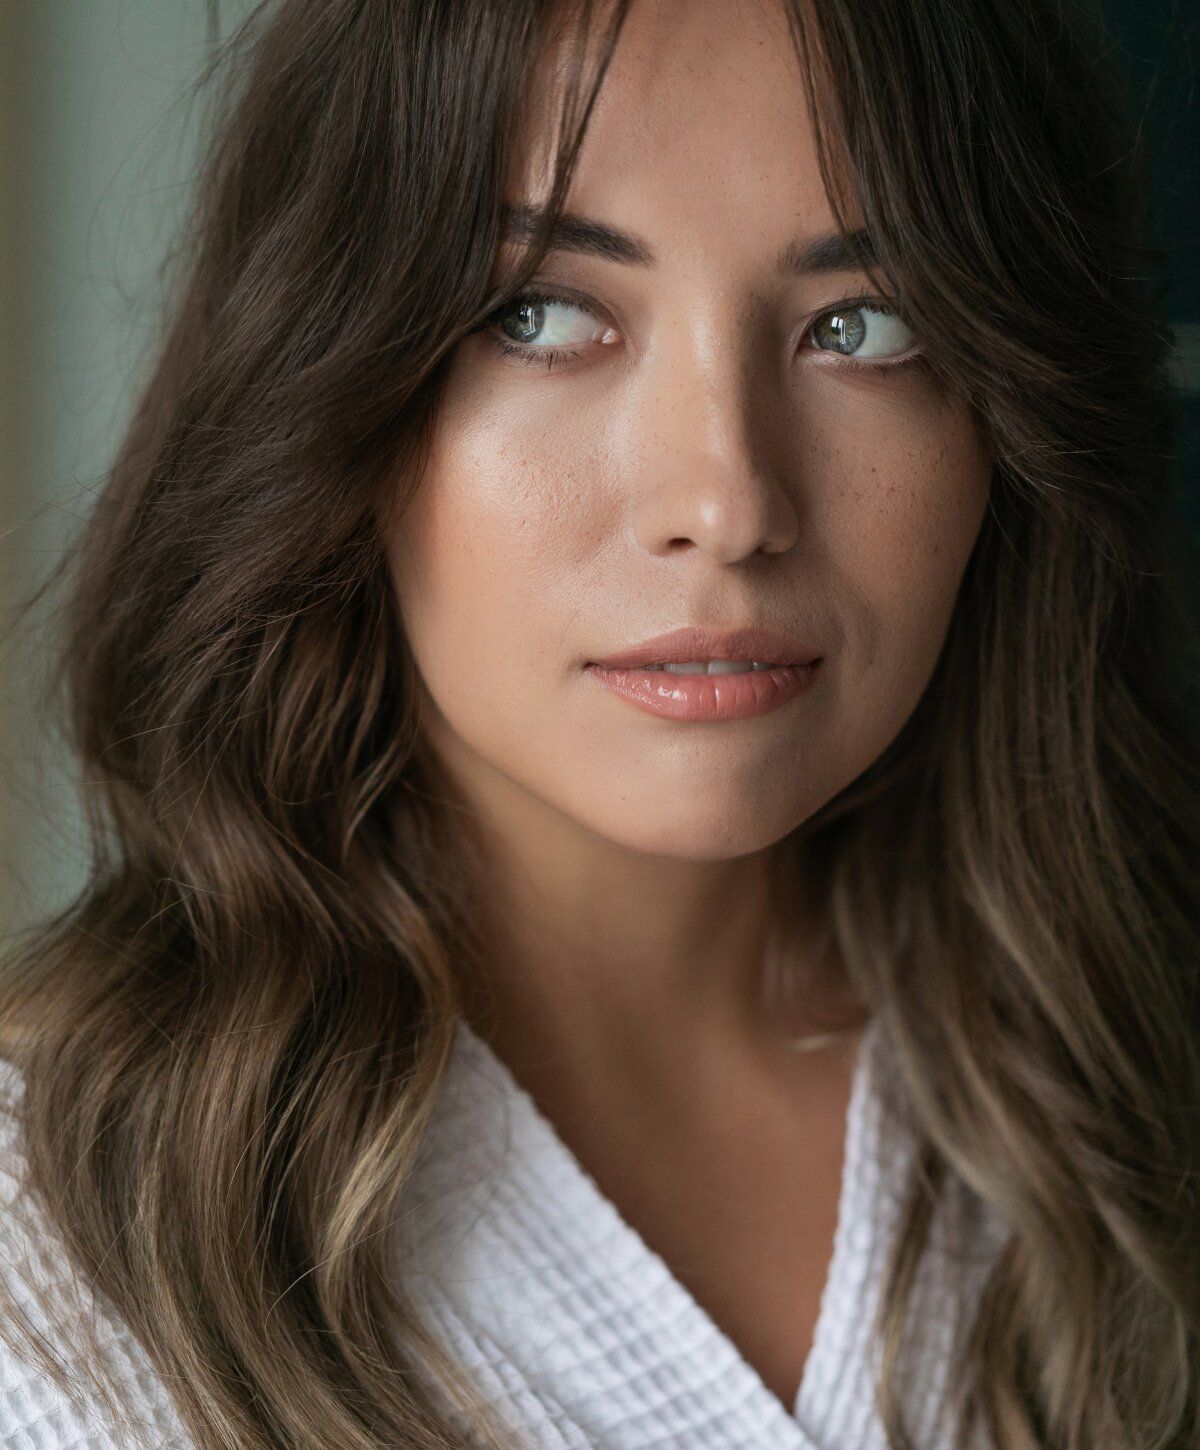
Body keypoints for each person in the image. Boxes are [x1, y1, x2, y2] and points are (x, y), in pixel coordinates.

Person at [0, 0, 1196, 1446]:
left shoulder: (1138, 1081)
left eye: (862, 325)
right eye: (542, 314)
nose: (727, 503)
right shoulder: (47, 1248)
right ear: (334, 398)